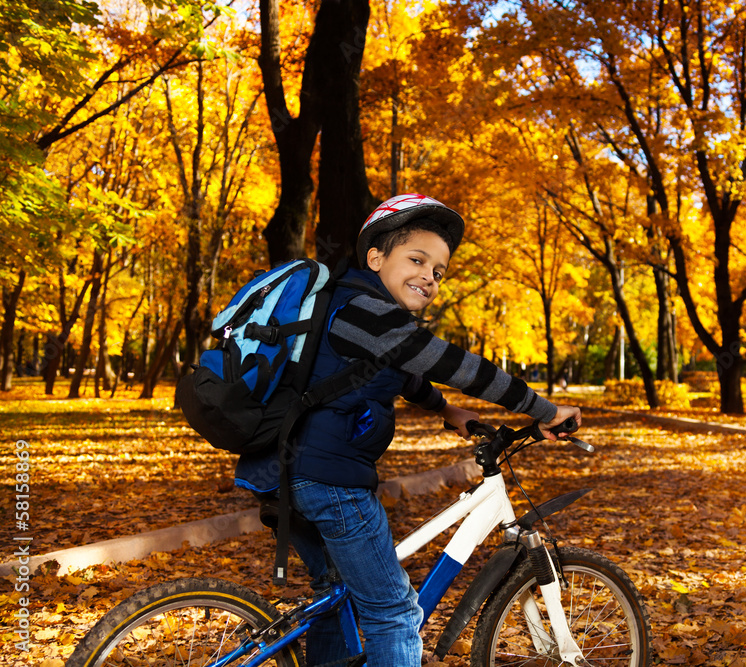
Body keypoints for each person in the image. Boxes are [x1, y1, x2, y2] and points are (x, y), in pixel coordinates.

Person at [234, 193, 582, 667]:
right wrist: (538, 407)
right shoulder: (365, 309)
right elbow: (445, 361)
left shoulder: (349, 305)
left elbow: (395, 370)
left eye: (438, 271)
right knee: (395, 613)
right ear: (375, 256)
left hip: (281, 471)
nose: (429, 276)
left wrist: (447, 410)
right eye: (417, 259)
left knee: (342, 602)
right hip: (329, 481)